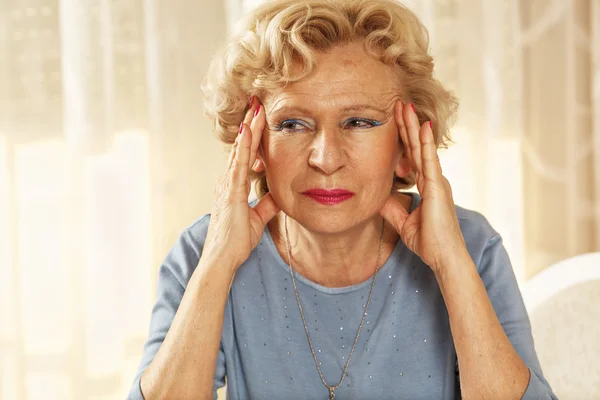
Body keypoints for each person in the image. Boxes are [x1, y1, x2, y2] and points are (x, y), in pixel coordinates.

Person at [128, 0, 557, 398]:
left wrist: (450, 265)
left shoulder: (471, 245)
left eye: (358, 121)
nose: (326, 159)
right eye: (293, 124)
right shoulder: (203, 253)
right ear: (254, 145)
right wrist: (217, 264)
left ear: (406, 147)